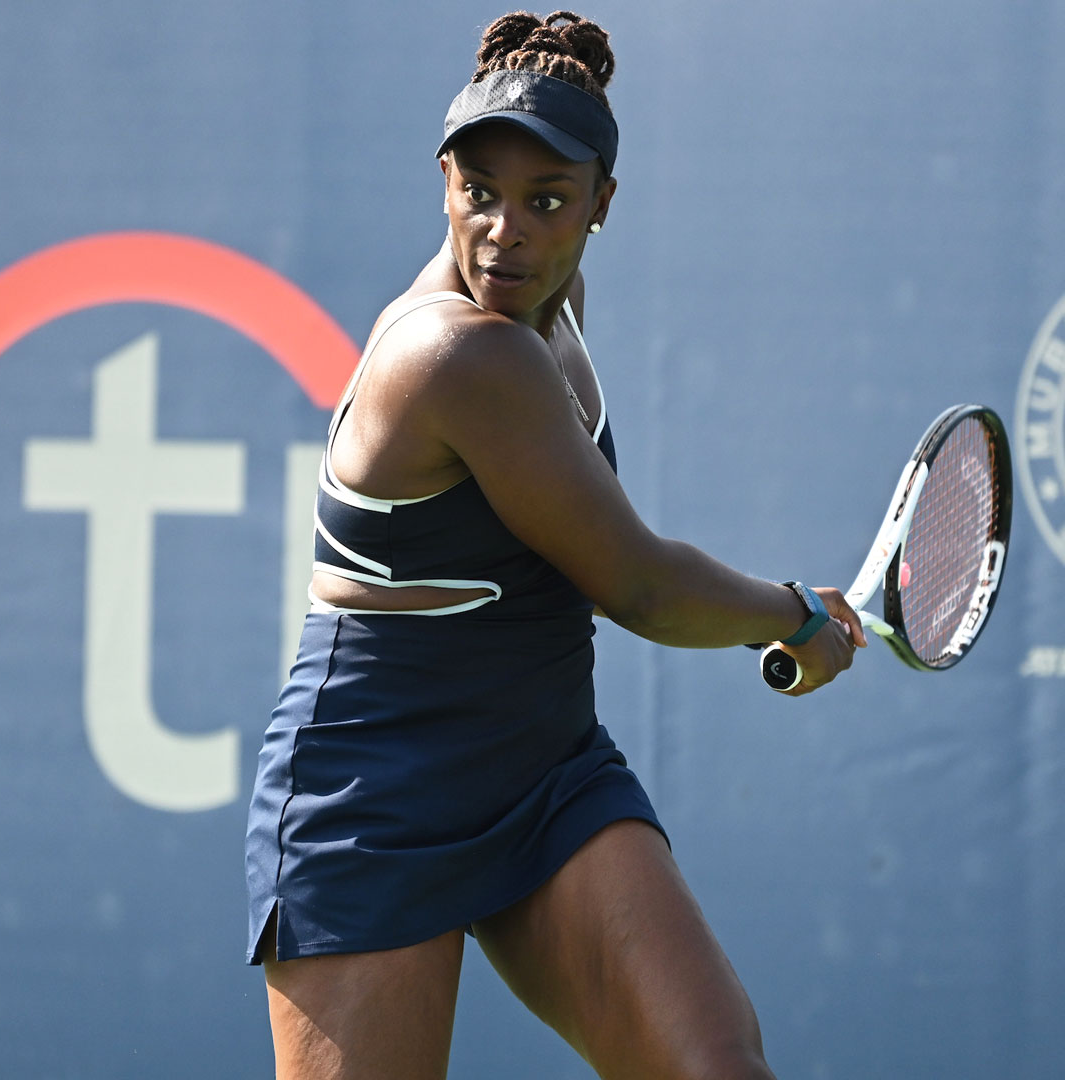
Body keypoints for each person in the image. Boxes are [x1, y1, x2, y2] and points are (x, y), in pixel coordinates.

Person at [245, 10, 865, 1079]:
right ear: (443, 179)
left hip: (544, 768)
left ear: (599, 208)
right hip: (374, 794)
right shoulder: (457, 353)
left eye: (546, 202)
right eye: (479, 193)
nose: (504, 232)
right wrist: (795, 614)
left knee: (717, 1065)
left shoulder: (547, 295)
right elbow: (637, 583)